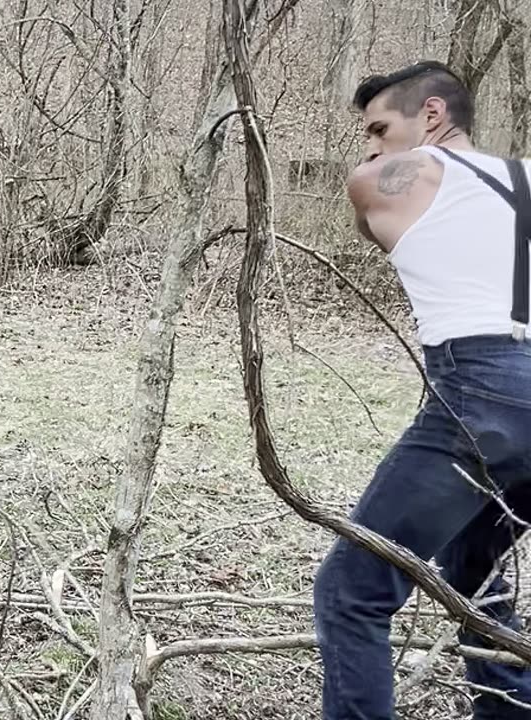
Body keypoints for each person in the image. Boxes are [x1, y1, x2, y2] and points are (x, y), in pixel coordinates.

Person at [314, 60, 531, 719]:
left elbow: (374, 223)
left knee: (351, 589)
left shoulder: (383, 180)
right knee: (474, 573)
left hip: (481, 393)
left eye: (380, 127)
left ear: (432, 115)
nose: (372, 146)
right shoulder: (523, 179)